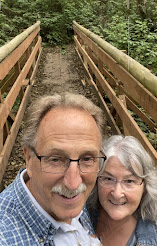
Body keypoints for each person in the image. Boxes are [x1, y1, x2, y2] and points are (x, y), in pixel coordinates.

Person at [0, 93, 106, 245]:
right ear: (29, 159)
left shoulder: (67, 198)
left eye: (87, 159)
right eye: (56, 160)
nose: (73, 184)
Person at [87, 135, 157, 246]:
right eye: (108, 179)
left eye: (129, 181)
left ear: (145, 186)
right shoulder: (80, 208)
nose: (117, 193)